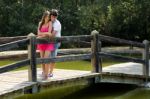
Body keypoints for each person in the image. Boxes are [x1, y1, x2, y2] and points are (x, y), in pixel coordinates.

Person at [37, 10, 54, 80]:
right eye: (46, 17)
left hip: (48, 43)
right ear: (44, 17)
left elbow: (50, 33)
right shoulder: (40, 23)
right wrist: (45, 34)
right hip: (41, 43)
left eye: (48, 17)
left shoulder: (50, 23)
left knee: (46, 58)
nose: (48, 18)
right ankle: (44, 73)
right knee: (42, 59)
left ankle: (47, 75)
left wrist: (42, 34)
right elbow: (38, 33)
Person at [49, 9, 61, 77]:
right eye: (52, 16)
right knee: (47, 56)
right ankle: (46, 71)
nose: (53, 18)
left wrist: (43, 34)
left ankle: (51, 72)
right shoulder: (49, 21)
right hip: (48, 41)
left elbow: (53, 34)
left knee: (53, 57)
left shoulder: (57, 23)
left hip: (55, 42)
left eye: (55, 16)